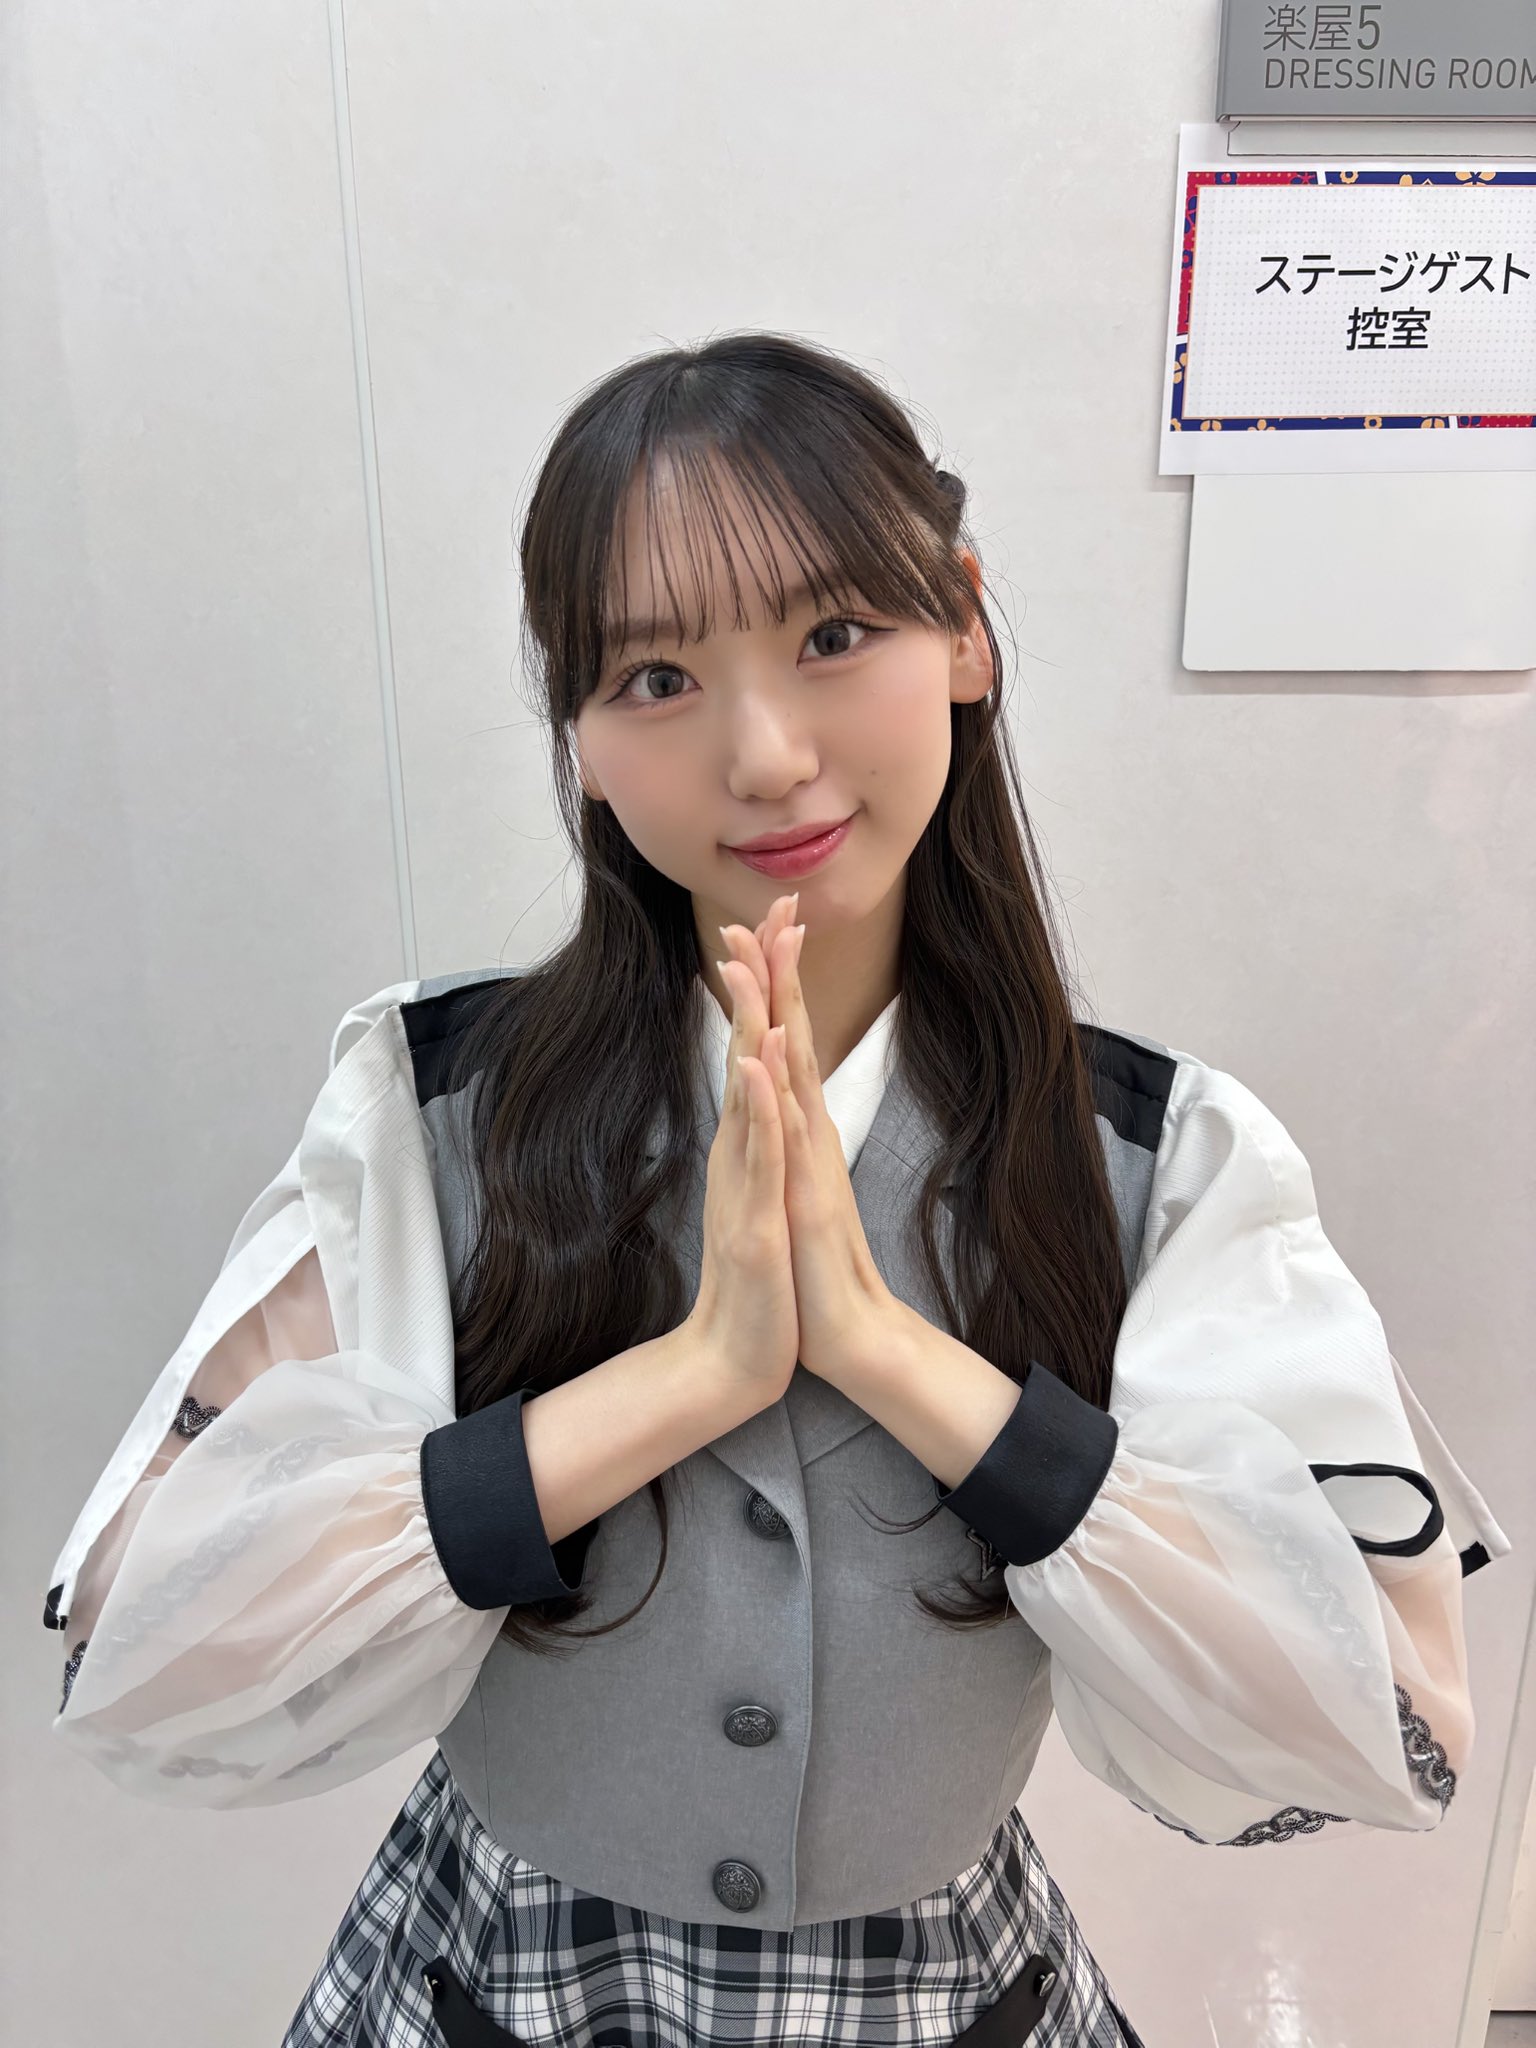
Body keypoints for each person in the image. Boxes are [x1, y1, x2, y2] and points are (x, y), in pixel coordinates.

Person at [45, 332, 1511, 2048]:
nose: (762, 754)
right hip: (493, 1975)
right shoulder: (431, 1111)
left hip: (943, 1988)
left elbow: (1381, 1720)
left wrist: (895, 1354)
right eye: (655, 675)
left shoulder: (1158, 1159)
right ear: (580, 736)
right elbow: (143, 1655)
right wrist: (689, 1376)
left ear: (964, 628)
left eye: (833, 635)